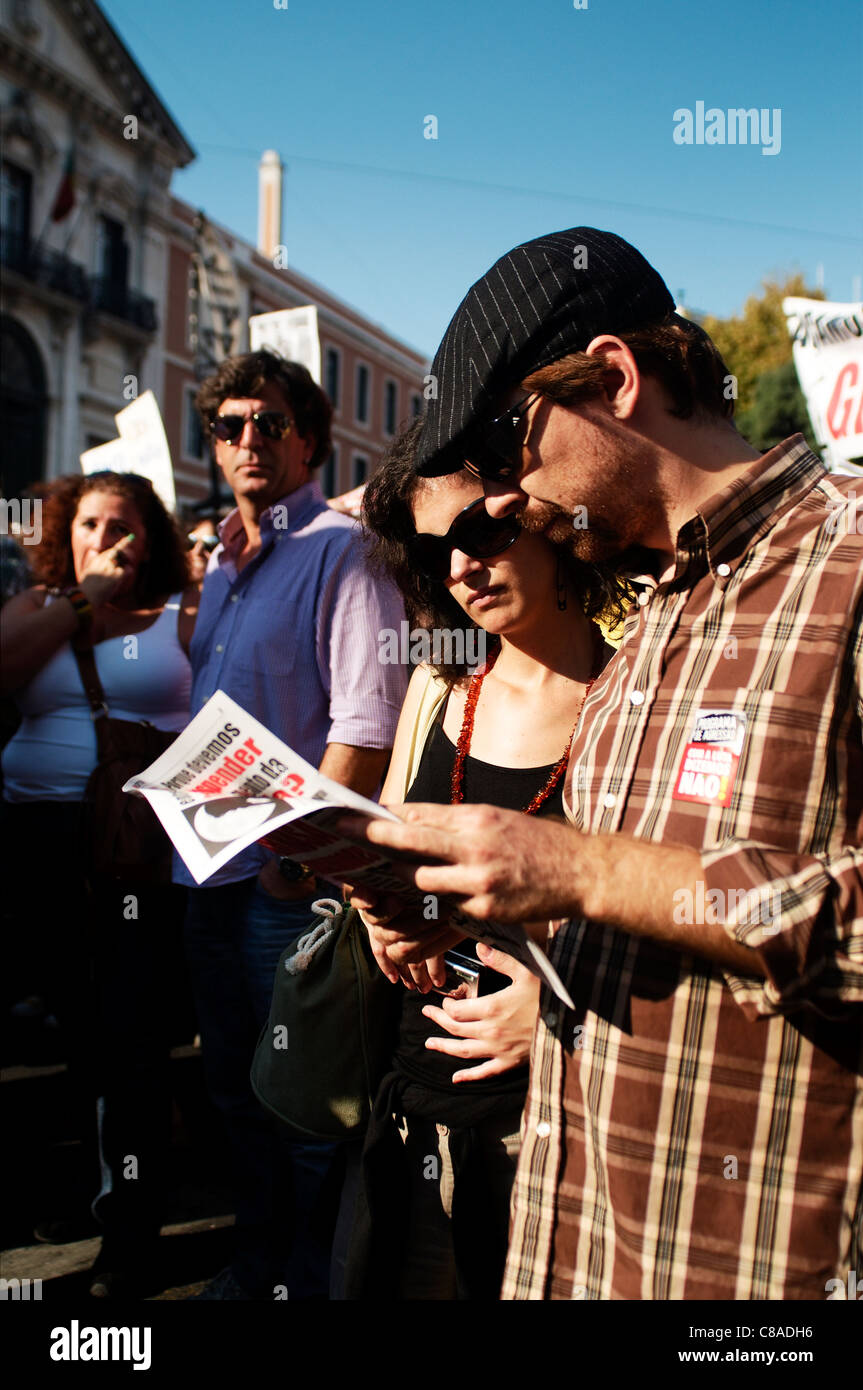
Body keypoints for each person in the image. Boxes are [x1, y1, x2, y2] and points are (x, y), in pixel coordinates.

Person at [339, 227, 863, 1301]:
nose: (501, 507)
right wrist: (495, 916)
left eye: (504, 449)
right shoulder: (653, 616)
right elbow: (659, 929)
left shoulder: (845, 569)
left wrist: (582, 870)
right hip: (580, 1250)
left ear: (615, 378)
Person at [340, 420, 624, 1298]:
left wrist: (555, 1014)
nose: (460, 568)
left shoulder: (633, 701)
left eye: (480, 531)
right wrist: (379, 912)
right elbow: (385, 845)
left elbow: (673, 909)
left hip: (552, 1136)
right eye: (436, 553)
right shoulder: (437, 686)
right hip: (411, 1103)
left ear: (542, 517)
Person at [180, 349, 407, 1300]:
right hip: (207, 871)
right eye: (228, 426)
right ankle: (258, 1263)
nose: (246, 441)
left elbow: (366, 719)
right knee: (235, 1093)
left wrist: (298, 868)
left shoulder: (341, 550)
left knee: (308, 1107)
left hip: (286, 889)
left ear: (308, 437)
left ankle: (309, 1285)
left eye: (268, 422)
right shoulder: (229, 564)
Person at [0, 470, 198, 1297]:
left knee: (130, 1042)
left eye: (125, 525)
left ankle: (130, 1232)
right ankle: (102, 1190)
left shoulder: (178, 615)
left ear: (149, 538)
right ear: (65, 532)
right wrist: (82, 601)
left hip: (131, 855)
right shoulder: (38, 608)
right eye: (89, 523)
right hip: (37, 844)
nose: (106, 537)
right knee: (78, 1038)